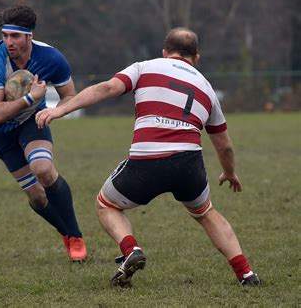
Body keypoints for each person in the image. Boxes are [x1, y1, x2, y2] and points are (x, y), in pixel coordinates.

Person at [36, 27, 260, 287]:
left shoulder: (145, 67)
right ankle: (246, 273)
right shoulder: (207, 88)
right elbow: (225, 146)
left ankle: (131, 249)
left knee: (106, 205)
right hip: (189, 164)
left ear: (165, 52)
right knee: (206, 213)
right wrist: (229, 172)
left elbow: (107, 88)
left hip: (148, 159)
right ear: (197, 58)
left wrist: (61, 109)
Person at [0, 5, 87, 261]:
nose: (8, 42)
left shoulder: (51, 58)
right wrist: (30, 97)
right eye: (5, 35)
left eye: (15, 36)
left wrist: (54, 112)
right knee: (38, 198)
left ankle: (76, 237)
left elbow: (69, 95)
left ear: (29, 36)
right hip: (0, 133)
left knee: (43, 169)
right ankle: (66, 232)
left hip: (32, 123)